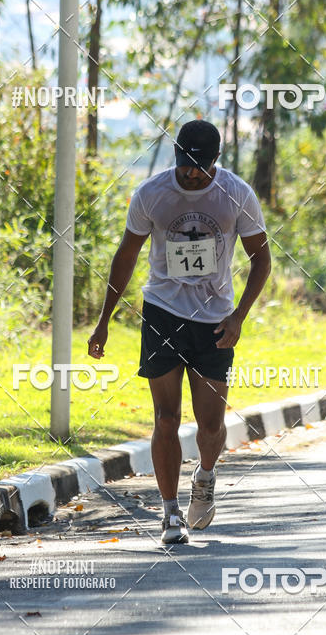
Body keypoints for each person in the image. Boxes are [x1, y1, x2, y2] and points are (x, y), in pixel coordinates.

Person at [88, 120, 271, 544]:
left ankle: (205, 478)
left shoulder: (236, 194)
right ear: (175, 154)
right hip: (162, 314)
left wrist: (239, 316)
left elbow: (261, 259)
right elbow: (127, 255)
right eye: (185, 164)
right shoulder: (151, 194)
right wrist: (103, 320)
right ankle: (170, 513)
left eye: (200, 167)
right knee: (165, 418)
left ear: (216, 161)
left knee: (210, 425)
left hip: (214, 321)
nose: (191, 174)